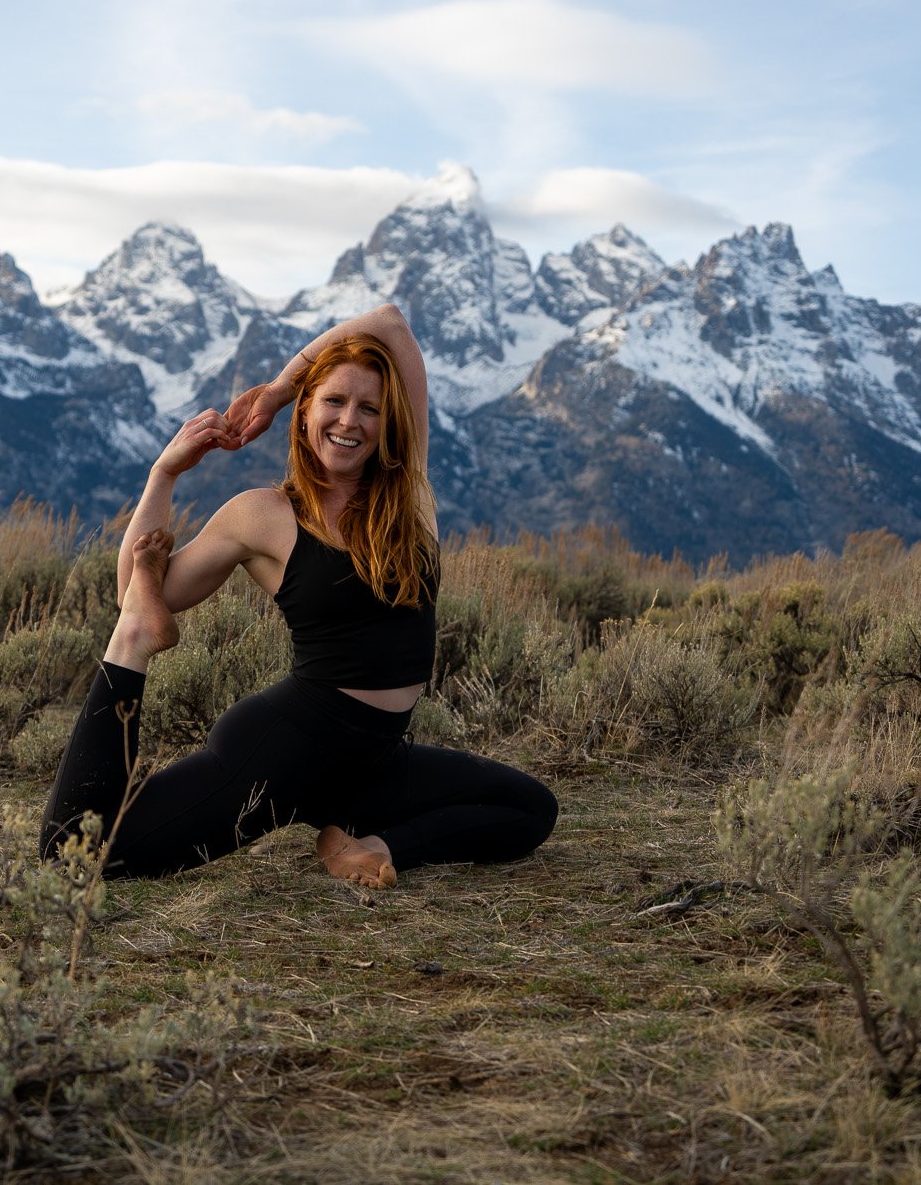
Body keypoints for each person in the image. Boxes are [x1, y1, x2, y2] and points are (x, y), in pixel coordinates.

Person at [41, 304, 558, 886]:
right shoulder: (264, 515)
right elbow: (132, 593)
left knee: (532, 810)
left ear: (389, 423)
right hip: (286, 752)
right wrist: (164, 475)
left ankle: (363, 845)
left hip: (373, 762)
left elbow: (389, 322)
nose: (350, 421)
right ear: (308, 415)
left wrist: (278, 389)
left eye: (369, 408)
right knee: (77, 855)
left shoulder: (411, 495)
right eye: (332, 401)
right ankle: (136, 649)